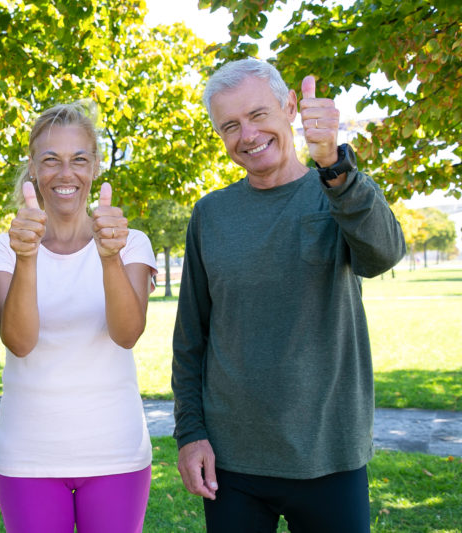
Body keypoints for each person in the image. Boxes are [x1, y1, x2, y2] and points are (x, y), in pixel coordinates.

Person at [172, 58, 406, 532]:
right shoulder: (210, 215)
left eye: (259, 115)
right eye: (230, 126)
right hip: (232, 461)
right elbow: (190, 339)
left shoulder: (338, 189)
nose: (248, 135)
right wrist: (191, 434)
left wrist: (335, 166)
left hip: (329, 453)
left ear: (290, 107)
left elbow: (383, 253)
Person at [0, 102, 156, 533]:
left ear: (95, 166)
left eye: (79, 159)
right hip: (27, 457)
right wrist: (27, 256)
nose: (65, 173)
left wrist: (108, 256)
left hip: (117, 452)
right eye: (51, 160)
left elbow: (127, 333)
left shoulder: (129, 241)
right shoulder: (1, 249)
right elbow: (19, 340)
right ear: (33, 169)